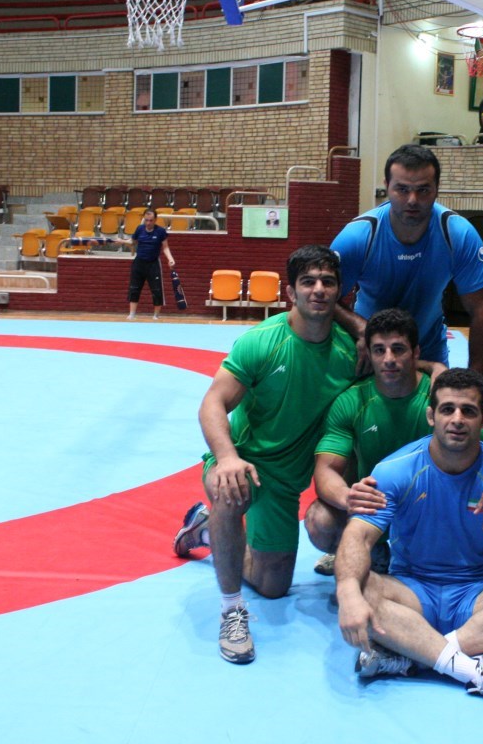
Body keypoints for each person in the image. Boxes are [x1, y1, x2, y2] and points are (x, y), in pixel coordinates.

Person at [173, 245, 359, 664]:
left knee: (274, 585)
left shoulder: (350, 353)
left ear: (339, 292)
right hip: (244, 462)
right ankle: (231, 611)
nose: (318, 289)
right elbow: (213, 402)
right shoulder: (262, 342)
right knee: (229, 490)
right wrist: (226, 457)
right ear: (290, 292)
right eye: (307, 282)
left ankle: (206, 532)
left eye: (327, 282)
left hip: (285, 483)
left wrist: (435, 370)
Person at [335, 368, 483, 707]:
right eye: (447, 409)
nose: (457, 419)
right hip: (412, 592)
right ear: (431, 416)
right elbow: (357, 537)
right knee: (360, 588)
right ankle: (475, 670)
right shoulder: (396, 469)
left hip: (478, 595)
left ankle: (411, 653)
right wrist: (348, 593)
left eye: (468, 411)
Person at [306, 308, 483, 574]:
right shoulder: (351, 402)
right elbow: (326, 470)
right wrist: (348, 499)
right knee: (321, 521)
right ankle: (373, 548)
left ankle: (456, 553)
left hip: (435, 508)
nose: (388, 359)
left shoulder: (442, 398)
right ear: (369, 354)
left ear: (415, 353)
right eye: (379, 350)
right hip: (379, 506)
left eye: (398, 349)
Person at [329, 144, 483, 375]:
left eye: (423, 190)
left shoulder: (458, 235)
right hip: (371, 353)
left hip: (429, 352)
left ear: (437, 188)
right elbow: (325, 299)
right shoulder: (358, 237)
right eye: (402, 189)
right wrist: (361, 329)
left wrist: (475, 385)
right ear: (387, 186)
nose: (412, 200)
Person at [124, 208, 175, 320]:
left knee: (157, 290)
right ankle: (132, 314)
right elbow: (132, 242)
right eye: (146, 220)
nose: (148, 223)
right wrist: (122, 241)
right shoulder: (139, 229)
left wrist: (170, 259)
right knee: (134, 288)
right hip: (139, 263)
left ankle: (156, 315)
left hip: (153, 263)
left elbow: (165, 247)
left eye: (151, 220)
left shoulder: (160, 231)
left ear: (155, 220)